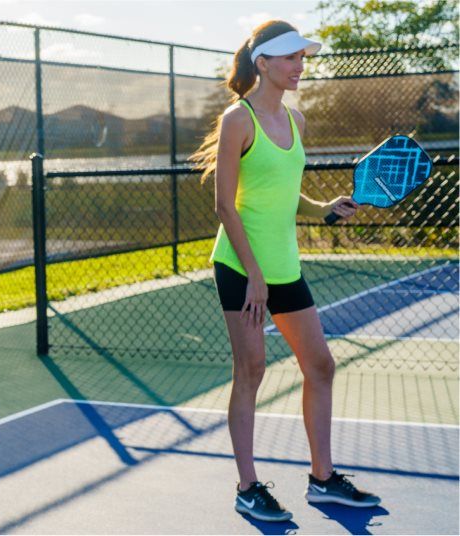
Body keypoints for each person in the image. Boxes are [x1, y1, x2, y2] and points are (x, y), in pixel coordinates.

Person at [191, 21, 381, 523]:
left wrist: (323, 209)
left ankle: (323, 480)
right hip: (240, 266)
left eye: (303, 58)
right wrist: (253, 274)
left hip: (284, 266)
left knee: (320, 365)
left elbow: (282, 192)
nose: (301, 66)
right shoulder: (239, 120)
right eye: (292, 58)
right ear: (264, 64)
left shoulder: (295, 121)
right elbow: (225, 206)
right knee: (251, 370)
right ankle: (248, 487)